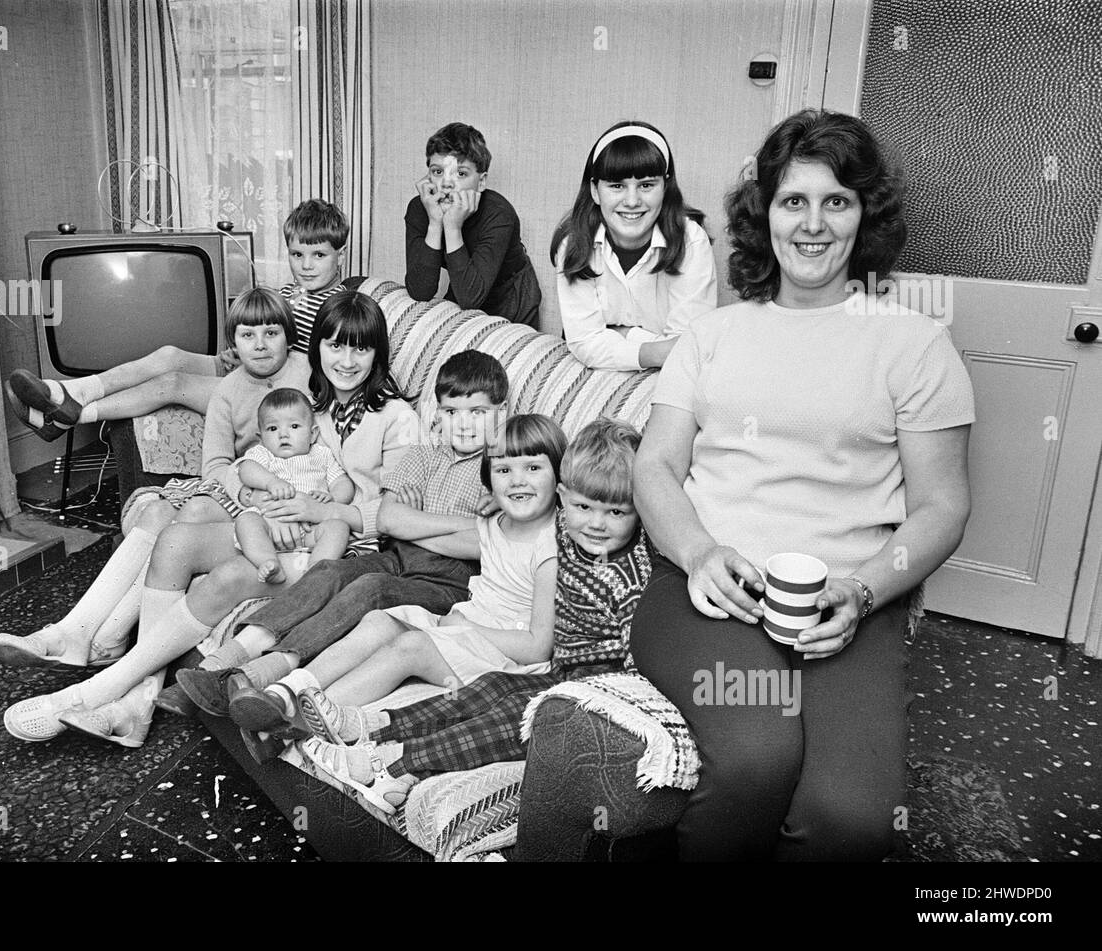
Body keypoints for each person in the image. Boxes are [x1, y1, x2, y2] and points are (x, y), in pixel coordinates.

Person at [629, 109, 975, 860]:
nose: (813, 224)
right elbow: (653, 465)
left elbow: (943, 506)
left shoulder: (916, 344)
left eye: (836, 201)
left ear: (865, 214)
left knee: (853, 817)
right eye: (793, 201)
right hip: (708, 592)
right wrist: (696, 552)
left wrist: (859, 594)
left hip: (851, 601)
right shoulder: (711, 335)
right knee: (757, 756)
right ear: (765, 214)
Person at [0, 290, 419, 746]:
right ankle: (126, 691)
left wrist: (322, 510)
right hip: (275, 519)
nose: (346, 360)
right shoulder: (309, 401)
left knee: (224, 567)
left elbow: (396, 513)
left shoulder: (396, 417)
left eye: (361, 347)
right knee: (176, 538)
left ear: (379, 354)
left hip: (340, 545)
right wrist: (260, 504)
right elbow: (253, 457)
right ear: (315, 348)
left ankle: (92, 693)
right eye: (335, 345)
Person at [298, 418, 651, 813]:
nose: (597, 523)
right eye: (584, 507)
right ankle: (370, 726)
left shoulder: (620, 569)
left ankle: (392, 763)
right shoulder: (564, 536)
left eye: (616, 512)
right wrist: (502, 503)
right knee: (489, 690)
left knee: (510, 715)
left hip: (587, 683)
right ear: (565, 499)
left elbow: (627, 652)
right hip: (555, 668)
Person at [173, 350, 511, 729]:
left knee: (371, 588)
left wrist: (416, 523)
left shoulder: (502, 469)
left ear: (502, 411)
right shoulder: (423, 455)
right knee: (331, 571)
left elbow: (485, 545)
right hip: (397, 556)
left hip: (450, 581)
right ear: (438, 414)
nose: (463, 424)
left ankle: (266, 673)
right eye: (451, 412)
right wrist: (451, 525)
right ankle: (227, 660)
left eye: (477, 413)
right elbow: (388, 519)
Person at [0, 286, 310, 670]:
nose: (260, 344)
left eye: (271, 333)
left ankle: (104, 638)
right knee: (157, 512)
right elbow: (216, 465)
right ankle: (73, 630)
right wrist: (242, 487)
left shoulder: (309, 372)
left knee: (188, 513)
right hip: (237, 486)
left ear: (288, 338)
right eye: (248, 336)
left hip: (269, 495)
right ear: (235, 342)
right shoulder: (230, 388)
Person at [233, 415, 564, 767]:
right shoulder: (496, 525)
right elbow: (420, 532)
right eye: (503, 471)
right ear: (488, 480)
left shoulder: (550, 550)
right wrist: (399, 516)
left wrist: (463, 628)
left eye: (532, 468)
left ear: (559, 476)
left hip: (502, 656)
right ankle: (285, 691)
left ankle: (294, 725)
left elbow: (536, 646)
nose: (517, 481)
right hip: (463, 629)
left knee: (411, 645)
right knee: (379, 620)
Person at [4, 199, 353, 440]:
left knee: (172, 383)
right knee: (170, 354)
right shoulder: (290, 291)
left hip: (275, 390)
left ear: (341, 254)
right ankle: (67, 391)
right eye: (297, 254)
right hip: (253, 368)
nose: (306, 265)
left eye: (318, 255)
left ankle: (70, 418)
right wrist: (241, 351)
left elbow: (319, 368)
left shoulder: (339, 306)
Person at [551, 120, 717, 371]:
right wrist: (653, 348)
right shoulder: (573, 245)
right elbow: (585, 343)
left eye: (646, 185)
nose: (631, 201)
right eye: (617, 186)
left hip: (673, 377)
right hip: (598, 374)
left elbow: (689, 349)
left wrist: (625, 334)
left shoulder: (691, 241)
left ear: (665, 187)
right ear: (595, 191)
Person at [405, 122, 541, 327]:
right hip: (466, 283)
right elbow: (419, 291)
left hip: (509, 295)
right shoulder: (420, 208)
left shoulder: (499, 214)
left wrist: (452, 227)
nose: (446, 183)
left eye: (460, 174)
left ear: (482, 181)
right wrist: (435, 223)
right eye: (438, 171)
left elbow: (471, 299)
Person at [233, 388, 354, 583]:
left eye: (294, 426)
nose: (283, 435)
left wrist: (332, 499)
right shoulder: (264, 454)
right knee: (246, 522)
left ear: (313, 433)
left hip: (310, 529)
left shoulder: (321, 455)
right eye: (273, 429)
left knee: (338, 527)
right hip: (269, 527)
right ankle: (269, 562)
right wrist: (271, 482)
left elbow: (343, 482)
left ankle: (316, 571)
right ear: (261, 437)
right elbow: (246, 469)